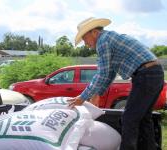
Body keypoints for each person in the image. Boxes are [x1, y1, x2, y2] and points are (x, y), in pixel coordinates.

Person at [67, 17, 164, 150]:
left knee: (129, 119)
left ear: (94, 32)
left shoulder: (103, 41)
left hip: (146, 75)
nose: (86, 44)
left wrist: (82, 97)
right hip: (154, 72)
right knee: (143, 118)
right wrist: (98, 93)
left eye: (85, 39)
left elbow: (102, 73)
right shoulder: (110, 38)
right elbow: (110, 73)